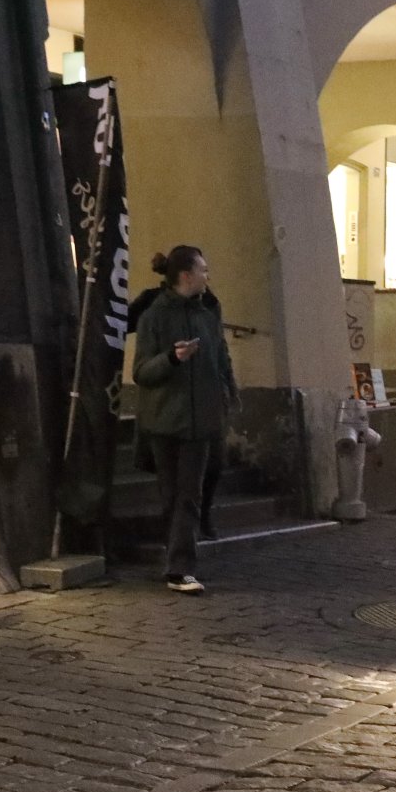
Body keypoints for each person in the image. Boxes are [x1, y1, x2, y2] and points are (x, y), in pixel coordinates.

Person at [133, 245, 238, 594]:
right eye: (203, 270)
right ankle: (174, 561)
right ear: (186, 276)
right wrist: (172, 358)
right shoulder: (154, 316)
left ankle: (180, 569)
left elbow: (221, 357)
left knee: (189, 494)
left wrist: (228, 393)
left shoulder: (207, 313)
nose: (208, 276)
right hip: (164, 421)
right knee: (172, 495)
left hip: (201, 421)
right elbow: (141, 372)